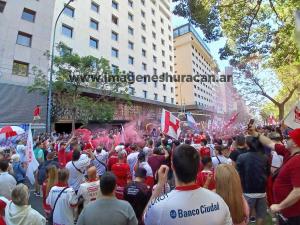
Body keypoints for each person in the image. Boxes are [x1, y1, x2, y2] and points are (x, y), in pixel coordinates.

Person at [144, 144, 232, 225]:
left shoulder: (159, 207)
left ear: (172, 166)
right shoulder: (218, 201)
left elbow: (145, 217)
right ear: (198, 166)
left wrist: (159, 185)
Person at [252, 128, 300, 224]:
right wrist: (256, 134)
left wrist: (280, 206)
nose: (285, 139)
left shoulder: (298, 161)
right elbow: (270, 143)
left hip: (294, 215)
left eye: (289, 137)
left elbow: (298, 191)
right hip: (287, 212)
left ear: (295, 143)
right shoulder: (289, 153)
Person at [236, 136, 270, 225]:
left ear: (247, 144)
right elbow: (268, 173)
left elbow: (238, 174)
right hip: (261, 191)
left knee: (245, 216)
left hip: (248, 191)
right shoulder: (265, 157)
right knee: (261, 216)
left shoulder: (241, 157)